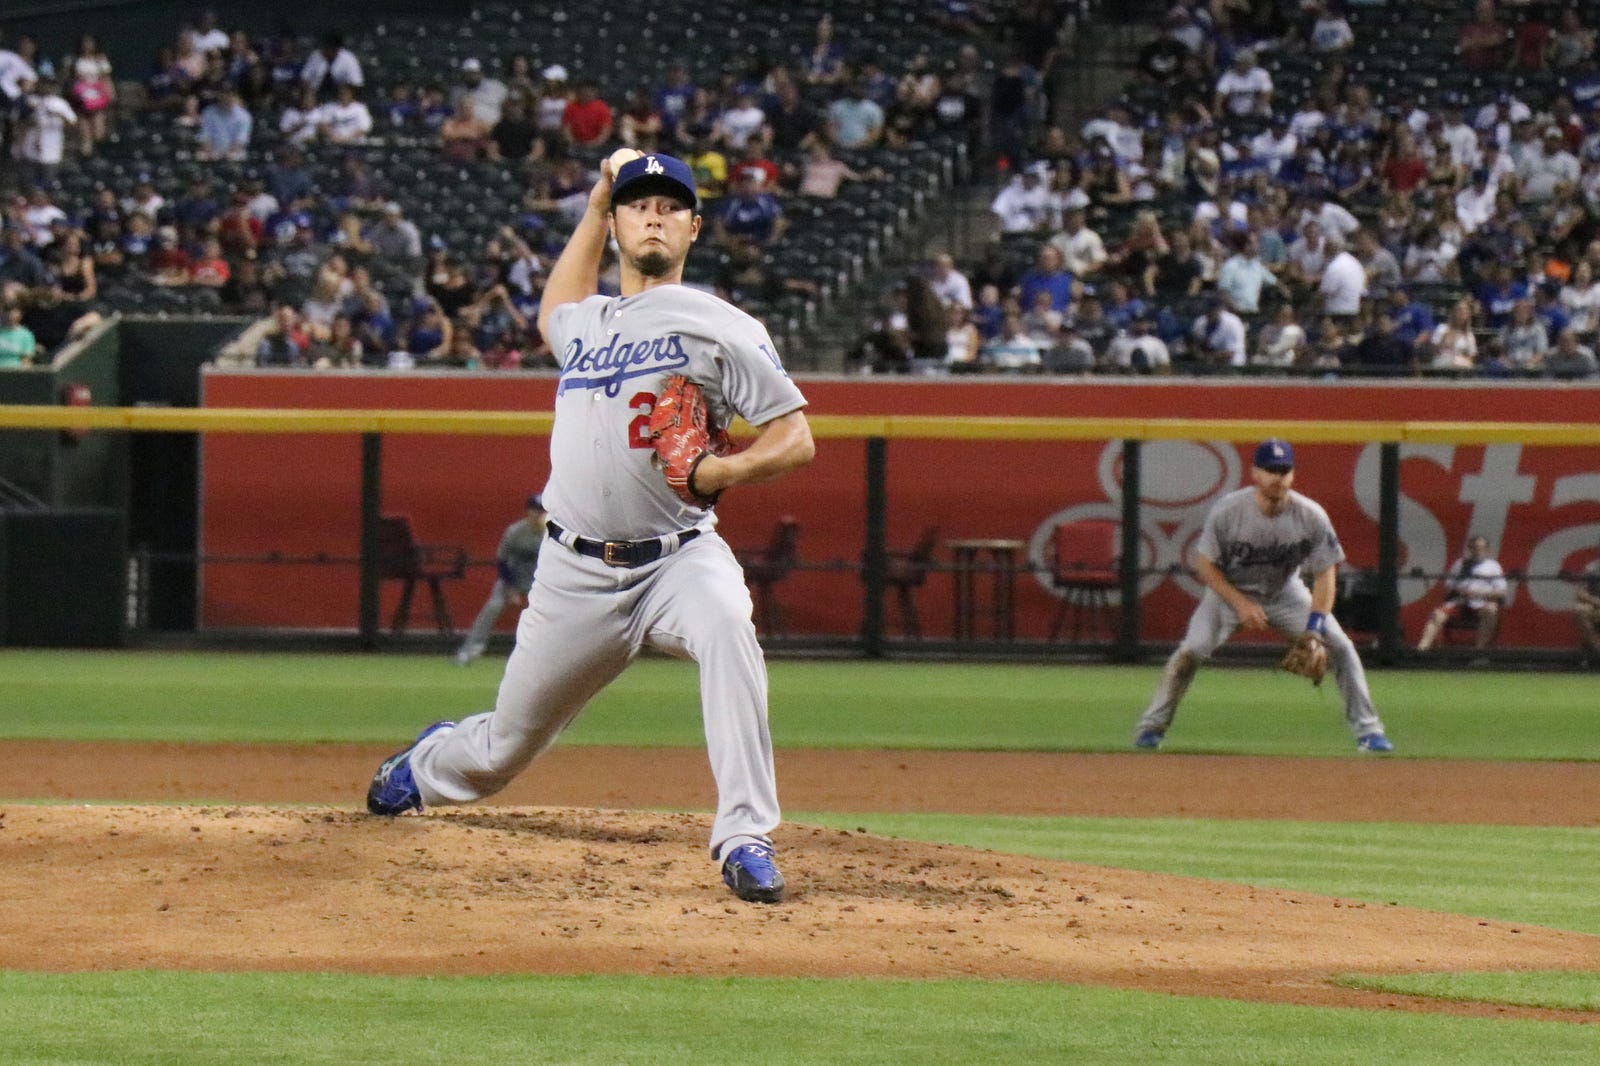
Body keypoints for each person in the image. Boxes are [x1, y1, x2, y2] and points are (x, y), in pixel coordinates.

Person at [364, 152, 814, 907]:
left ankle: (745, 835)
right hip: (574, 571)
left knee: (728, 626)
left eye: (670, 207)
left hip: (678, 558)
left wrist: (719, 473)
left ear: (694, 228)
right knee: (503, 748)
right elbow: (554, 306)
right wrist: (596, 200)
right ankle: (429, 763)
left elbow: (795, 438)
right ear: (616, 225)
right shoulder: (587, 324)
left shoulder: (722, 325)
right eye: (639, 206)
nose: (654, 217)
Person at [1132, 439, 1393, 754]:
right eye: (1270, 470)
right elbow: (1205, 566)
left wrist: (1314, 628)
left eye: (1284, 470)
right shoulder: (1230, 510)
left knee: (1341, 647)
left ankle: (1369, 732)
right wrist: (1240, 603)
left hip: (1285, 592)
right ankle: (1152, 728)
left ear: (1293, 475)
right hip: (1230, 592)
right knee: (1191, 651)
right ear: (1255, 473)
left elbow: (1326, 574)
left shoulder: (1310, 515)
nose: (1277, 477)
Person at [1416, 535, 1507, 653]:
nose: (1477, 551)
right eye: (1474, 548)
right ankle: (1421, 650)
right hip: (1460, 602)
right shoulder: (1460, 563)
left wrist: (1478, 593)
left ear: (1487, 550)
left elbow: (1502, 592)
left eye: (1481, 548)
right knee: (1436, 615)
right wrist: (1460, 590)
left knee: (1491, 610)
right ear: (1469, 549)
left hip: (1481, 603)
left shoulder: (1493, 566)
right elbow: (1449, 586)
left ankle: (1478, 653)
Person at [1574, 543, 1600, 666]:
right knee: (1580, 610)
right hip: (1595, 605)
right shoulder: (1592, 568)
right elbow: (1580, 592)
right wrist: (1595, 601)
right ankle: (1597, 652)